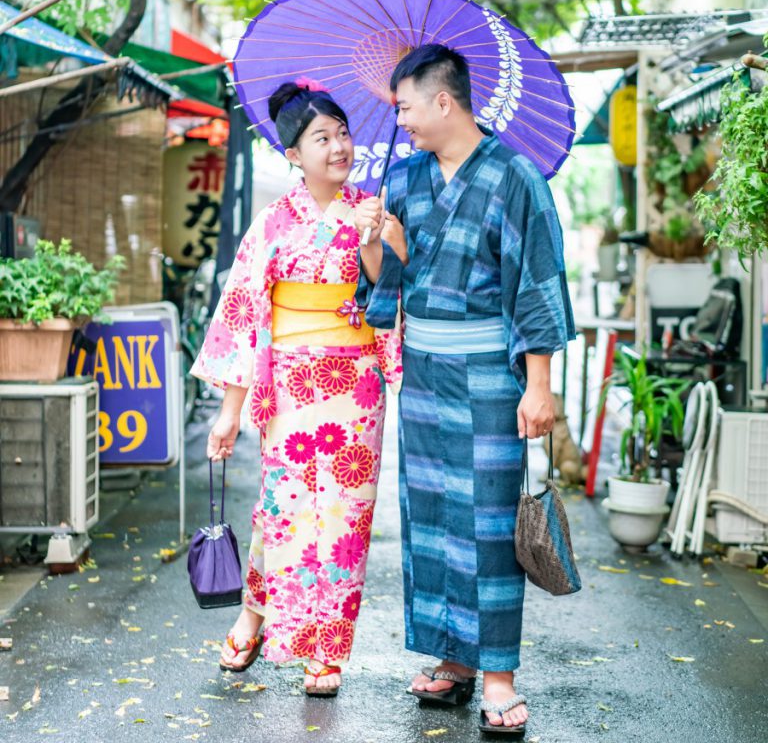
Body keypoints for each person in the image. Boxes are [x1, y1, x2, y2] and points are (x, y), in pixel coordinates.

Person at [353, 44, 574, 737]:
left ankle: (499, 672)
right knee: (430, 521)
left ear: (442, 100)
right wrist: (376, 246)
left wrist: (538, 386)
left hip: (487, 377)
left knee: (484, 529)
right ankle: (452, 658)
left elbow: (537, 285)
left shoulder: (515, 178)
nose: (403, 121)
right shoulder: (407, 179)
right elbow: (386, 289)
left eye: (406, 106)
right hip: (423, 376)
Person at [192, 80, 402, 697]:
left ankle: (326, 648)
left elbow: (389, 295)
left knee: (345, 517)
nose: (339, 146)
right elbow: (243, 313)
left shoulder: (375, 209)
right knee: (284, 510)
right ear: (292, 154)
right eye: (322, 138)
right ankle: (255, 614)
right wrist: (230, 412)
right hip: (288, 383)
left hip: (355, 382)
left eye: (342, 134)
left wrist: (375, 236)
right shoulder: (274, 222)